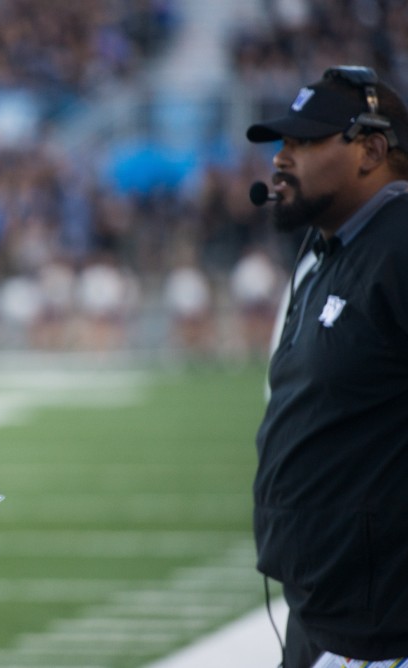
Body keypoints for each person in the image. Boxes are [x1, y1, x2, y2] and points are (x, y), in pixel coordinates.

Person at [247, 66, 408, 667]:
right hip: (325, 610)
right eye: (282, 142)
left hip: (383, 626)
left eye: (306, 141)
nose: (282, 157)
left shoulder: (398, 246)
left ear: (371, 150)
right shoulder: (331, 247)